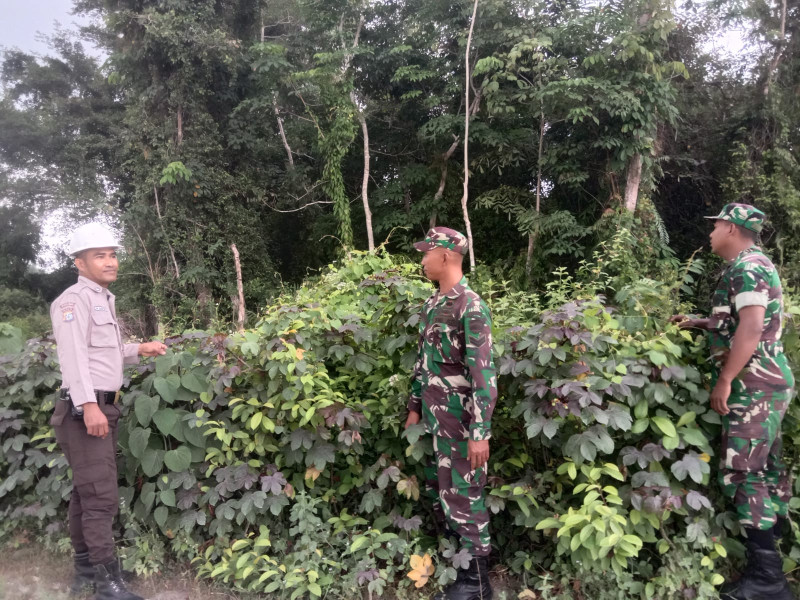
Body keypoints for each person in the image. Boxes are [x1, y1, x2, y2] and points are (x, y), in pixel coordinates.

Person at [670, 204, 795, 600]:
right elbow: (741, 319)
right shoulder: (749, 265)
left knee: (746, 473)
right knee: (764, 468)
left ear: (732, 228)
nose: (711, 232)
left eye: (716, 225)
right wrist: (699, 322)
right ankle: (772, 562)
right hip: (764, 381)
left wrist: (725, 379)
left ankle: (768, 580)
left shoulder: (748, 267)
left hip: (753, 384)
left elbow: (754, 326)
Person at [50, 222, 167, 600]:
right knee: (100, 496)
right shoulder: (73, 300)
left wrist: (139, 349)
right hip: (86, 410)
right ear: (79, 263)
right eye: (99, 255)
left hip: (103, 406)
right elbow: (73, 357)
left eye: (113, 254)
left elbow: (102, 352)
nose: (110, 261)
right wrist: (88, 406)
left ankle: (87, 572)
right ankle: (106, 584)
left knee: (87, 493)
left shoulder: (102, 298)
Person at [405, 227, 497, 600]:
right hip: (434, 421)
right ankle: (460, 564)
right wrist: (414, 407)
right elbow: (422, 365)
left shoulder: (470, 306)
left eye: (426, 253)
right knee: (443, 492)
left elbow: (484, 375)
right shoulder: (431, 305)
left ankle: (477, 582)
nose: (422, 260)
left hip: (461, 424)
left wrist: (480, 431)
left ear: (445, 256)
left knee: (465, 494)